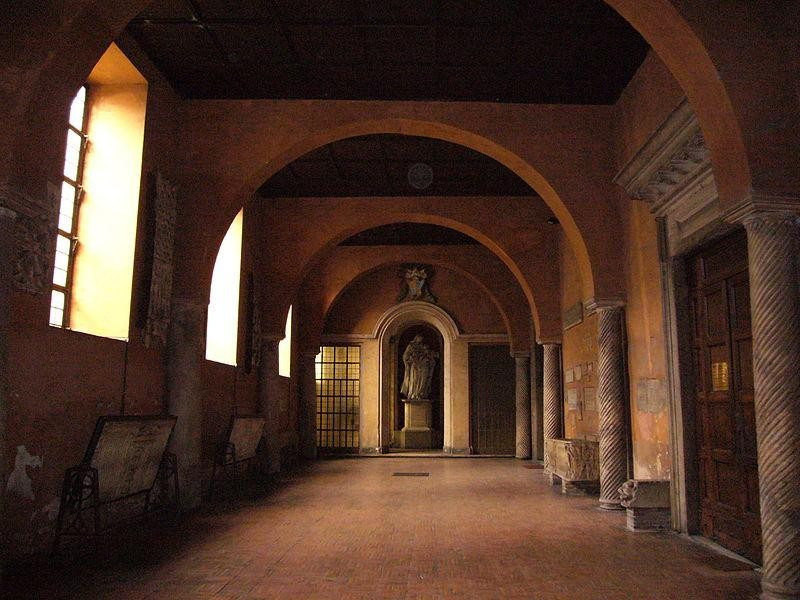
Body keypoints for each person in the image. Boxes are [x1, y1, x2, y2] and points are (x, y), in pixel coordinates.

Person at [400, 335, 438, 401]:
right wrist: (412, 359)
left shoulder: (424, 347)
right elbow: (405, 356)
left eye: (421, 339)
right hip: (415, 366)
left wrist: (428, 357)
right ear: (416, 338)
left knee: (423, 380)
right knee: (414, 380)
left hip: (424, 366)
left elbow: (431, 355)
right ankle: (413, 394)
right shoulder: (411, 346)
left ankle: (422, 394)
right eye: (419, 338)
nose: (420, 340)